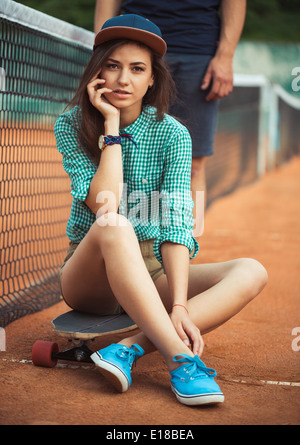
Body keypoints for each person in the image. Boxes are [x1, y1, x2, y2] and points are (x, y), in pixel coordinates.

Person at [54, 14, 267, 406]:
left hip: (149, 271)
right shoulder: (71, 125)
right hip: (90, 277)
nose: (123, 79)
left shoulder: (173, 134)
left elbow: (176, 222)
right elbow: (106, 203)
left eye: (137, 69)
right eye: (113, 65)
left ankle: (128, 348)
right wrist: (112, 128)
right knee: (114, 222)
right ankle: (180, 359)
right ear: (96, 70)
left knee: (252, 271)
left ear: (152, 80)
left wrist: (181, 304)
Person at [94, 0, 247, 215]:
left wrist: (226, 55)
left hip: (196, 50)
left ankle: (188, 245)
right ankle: (124, 243)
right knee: (120, 152)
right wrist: (99, 52)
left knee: (194, 165)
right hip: (131, 44)